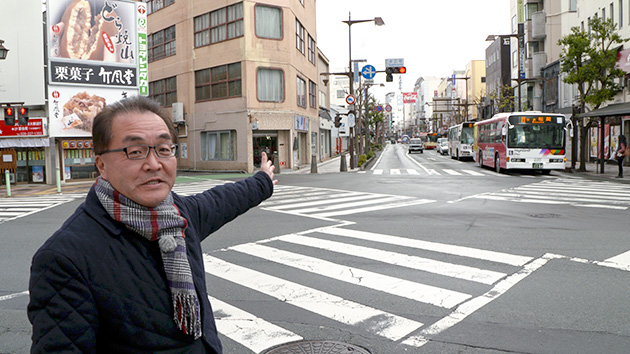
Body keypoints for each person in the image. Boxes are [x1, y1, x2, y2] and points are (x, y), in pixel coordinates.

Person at [28, 96, 277, 353]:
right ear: (101, 165)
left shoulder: (178, 215)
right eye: (135, 152)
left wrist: (262, 180)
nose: (154, 164)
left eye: (164, 149)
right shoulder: (64, 258)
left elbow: (223, 201)